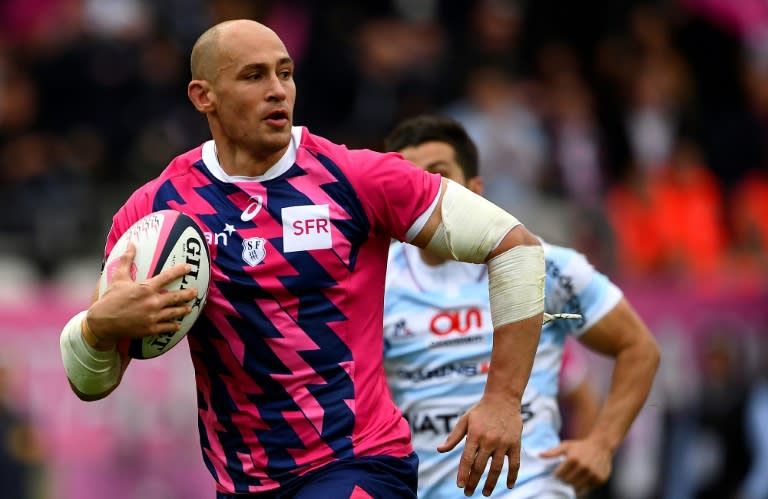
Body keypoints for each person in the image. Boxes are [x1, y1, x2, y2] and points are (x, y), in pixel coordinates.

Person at [58, 20, 548, 499]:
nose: (278, 90)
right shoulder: (155, 211)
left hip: (360, 461)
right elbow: (92, 383)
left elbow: (515, 247)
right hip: (242, 482)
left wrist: (503, 399)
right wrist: (97, 329)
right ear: (203, 96)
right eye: (254, 76)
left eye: (285, 73)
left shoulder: (357, 177)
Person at [382, 114, 661, 498]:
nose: (428, 194)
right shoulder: (374, 282)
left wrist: (602, 444)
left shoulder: (545, 264)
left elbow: (639, 348)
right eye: (411, 182)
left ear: (475, 190)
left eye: (439, 175)